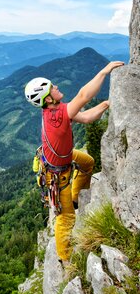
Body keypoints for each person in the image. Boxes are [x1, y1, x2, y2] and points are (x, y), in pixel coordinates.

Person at [24, 60, 124, 264]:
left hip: (63, 158)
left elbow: (86, 118)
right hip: (57, 175)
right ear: (48, 98)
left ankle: (76, 196)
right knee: (66, 217)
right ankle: (65, 258)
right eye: (52, 87)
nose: (57, 87)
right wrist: (104, 71)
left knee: (87, 162)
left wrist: (105, 104)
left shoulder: (56, 111)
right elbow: (84, 96)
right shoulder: (58, 116)